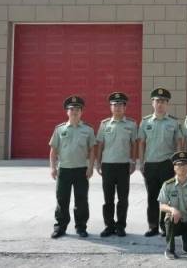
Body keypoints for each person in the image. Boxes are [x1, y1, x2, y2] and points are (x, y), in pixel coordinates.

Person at [48, 95, 96, 239]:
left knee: (81, 200)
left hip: (81, 169)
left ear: (82, 112)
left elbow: (92, 150)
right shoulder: (59, 129)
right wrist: (52, 167)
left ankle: (81, 227)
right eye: (72, 109)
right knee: (62, 200)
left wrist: (90, 167)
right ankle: (60, 227)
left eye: (77, 109)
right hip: (64, 170)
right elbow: (53, 150)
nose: (74, 111)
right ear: (67, 112)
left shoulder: (88, 130)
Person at [138, 87, 183, 237]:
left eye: (163, 101)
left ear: (167, 104)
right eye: (157, 101)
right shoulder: (145, 122)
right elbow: (141, 143)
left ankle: (165, 226)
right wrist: (141, 162)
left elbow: (178, 143)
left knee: (167, 197)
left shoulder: (173, 122)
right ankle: (152, 227)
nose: (160, 104)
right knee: (152, 196)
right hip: (150, 164)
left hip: (167, 164)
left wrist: (177, 163)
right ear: (152, 103)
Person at [96, 92, 138, 238]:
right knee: (108, 198)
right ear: (110, 107)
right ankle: (109, 226)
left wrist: (133, 161)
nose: (117, 107)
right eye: (115, 105)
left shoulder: (131, 124)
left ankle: (120, 226)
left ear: (125, 107)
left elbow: (134, 144)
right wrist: (98, 162)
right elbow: (100, 144)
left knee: (123, 198)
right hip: (107, 165)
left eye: (120, 105)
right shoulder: (104, 124)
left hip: (123, 165)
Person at [159, 151, 187, 260]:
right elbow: (162, 206)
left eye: (185, 165)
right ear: (174, 168)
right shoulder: (167, 185)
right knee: (170, 217)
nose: (181, 167)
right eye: (179, 165)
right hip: (175, 222)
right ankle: (170, 250)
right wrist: (172, 209)